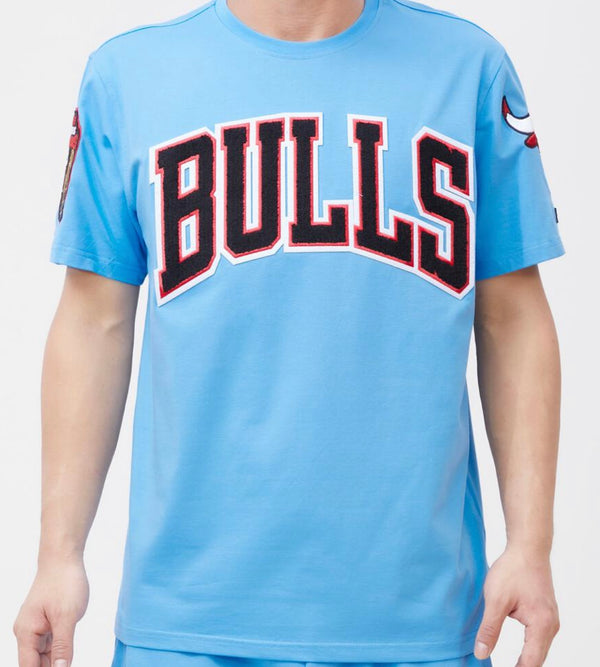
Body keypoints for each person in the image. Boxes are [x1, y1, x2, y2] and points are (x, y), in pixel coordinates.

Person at [13, 1, 565, 666]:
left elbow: (513, 317)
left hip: (419, 620)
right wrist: (58, 555)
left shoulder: (468, 69)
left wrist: (531, 545)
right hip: (187, 622)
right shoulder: (128, 77)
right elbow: (92, 321)